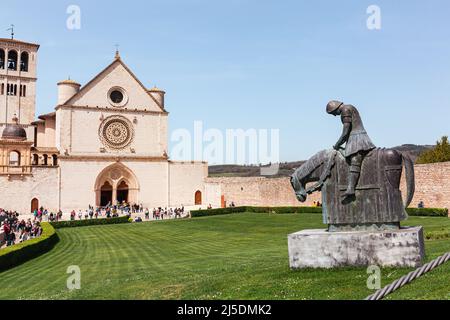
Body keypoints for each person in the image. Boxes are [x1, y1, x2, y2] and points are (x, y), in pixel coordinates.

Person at [327, 100, 376, 199]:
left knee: (355, 160)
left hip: (357, 138)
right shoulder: (348, 107)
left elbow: (345, 132)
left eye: (333, 113)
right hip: (354, 137)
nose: (334, 115)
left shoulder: (345, 110)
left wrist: (337, 144)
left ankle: (351, 188)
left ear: (335, 108)